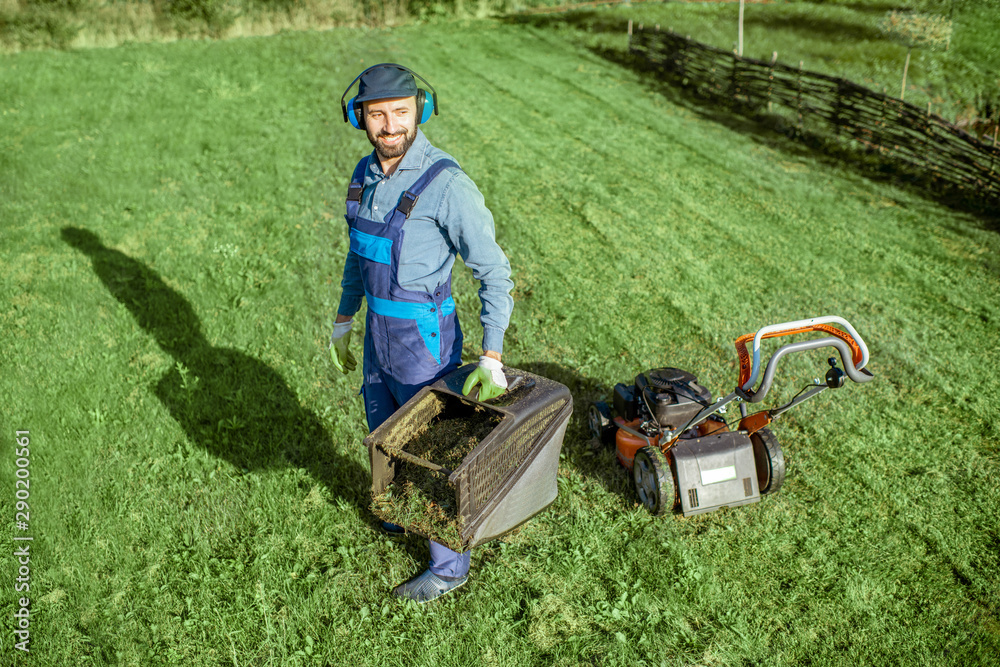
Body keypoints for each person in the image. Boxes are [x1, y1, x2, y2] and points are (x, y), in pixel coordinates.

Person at [329, 63, 514, 603]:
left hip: (423, 342)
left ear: (420, 111)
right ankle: (398, 514)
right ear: (359, 116)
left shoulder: (447, 185)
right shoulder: (365, 176)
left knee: (432, 450)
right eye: (377, 114)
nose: (390, 126)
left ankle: (450, 565)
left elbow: (494, 273)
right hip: (376, 339)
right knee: (385, 433)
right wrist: (344, 320)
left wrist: (492, 355)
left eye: (400, 113)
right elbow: (357, 257)